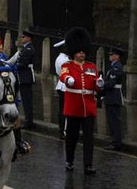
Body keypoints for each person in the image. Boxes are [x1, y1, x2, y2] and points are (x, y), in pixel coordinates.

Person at [60, 27, 101, 175]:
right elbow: (63, 76)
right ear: (73, 52)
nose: (81, 53)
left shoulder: (91, 67)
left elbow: (95, 84)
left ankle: (88, 165)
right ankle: (69, 161)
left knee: (89, 139)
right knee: (72, 137)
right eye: (78, 51)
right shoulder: (67, 66)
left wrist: (99, 84)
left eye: (83, 51)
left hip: (88, 107)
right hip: (73, 107)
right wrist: (68, 79)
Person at [103, 48, 125, 151]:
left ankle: (117, 142)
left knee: (115, 120)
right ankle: (114, 141)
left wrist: (102, 85)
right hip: (110, 96)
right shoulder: (112, 66)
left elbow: (111, 83)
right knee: (111, 120)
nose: (110, 56)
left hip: (114, 96)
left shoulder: (117, 67)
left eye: (112, 55)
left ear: (117, 56)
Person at [16, 30, 36, 128]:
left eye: (23, 37)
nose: (22, 38)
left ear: (28, 38)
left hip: (25, 77)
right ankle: (28, 120)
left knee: (27, 100)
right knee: (25, 99)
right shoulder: (25, 48)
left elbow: (23, 63)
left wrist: (15, 66)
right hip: (23, 77)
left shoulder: (28, 49)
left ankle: (29, 121)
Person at [54, 40, 70, 140]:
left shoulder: (59, 58)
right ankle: (64, 130)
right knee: (66, 110)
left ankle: (62, 130)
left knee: (62, 110)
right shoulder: (65, 60)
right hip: (65, 86)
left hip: (61, 85)